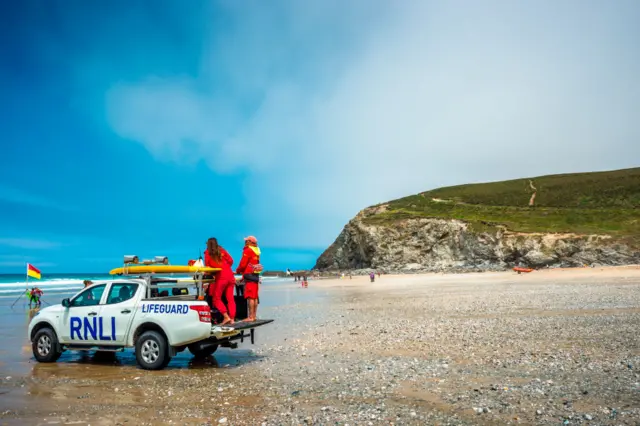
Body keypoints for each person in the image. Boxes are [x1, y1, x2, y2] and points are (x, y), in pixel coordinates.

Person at [204, 237, 236, 325]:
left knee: (216, 298)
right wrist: (225, 267)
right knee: (230, 299)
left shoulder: (208, 253)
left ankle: (226, 317)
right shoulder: (222, 250)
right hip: (230, 275)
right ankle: (232, 319)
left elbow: (208, 267)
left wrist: (210, 272)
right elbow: (231, 260)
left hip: (221, 277)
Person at [236, 235, 262, 322]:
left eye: (247, 240)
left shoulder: (248, 250)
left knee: (250, 297)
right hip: (255, 275)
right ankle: (254, 316)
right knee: (254, 297)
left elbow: (243, 263)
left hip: (249, 275)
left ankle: (250, 317)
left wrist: (238, 270)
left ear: (250, 242)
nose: (245, 242)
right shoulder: (257, 250)